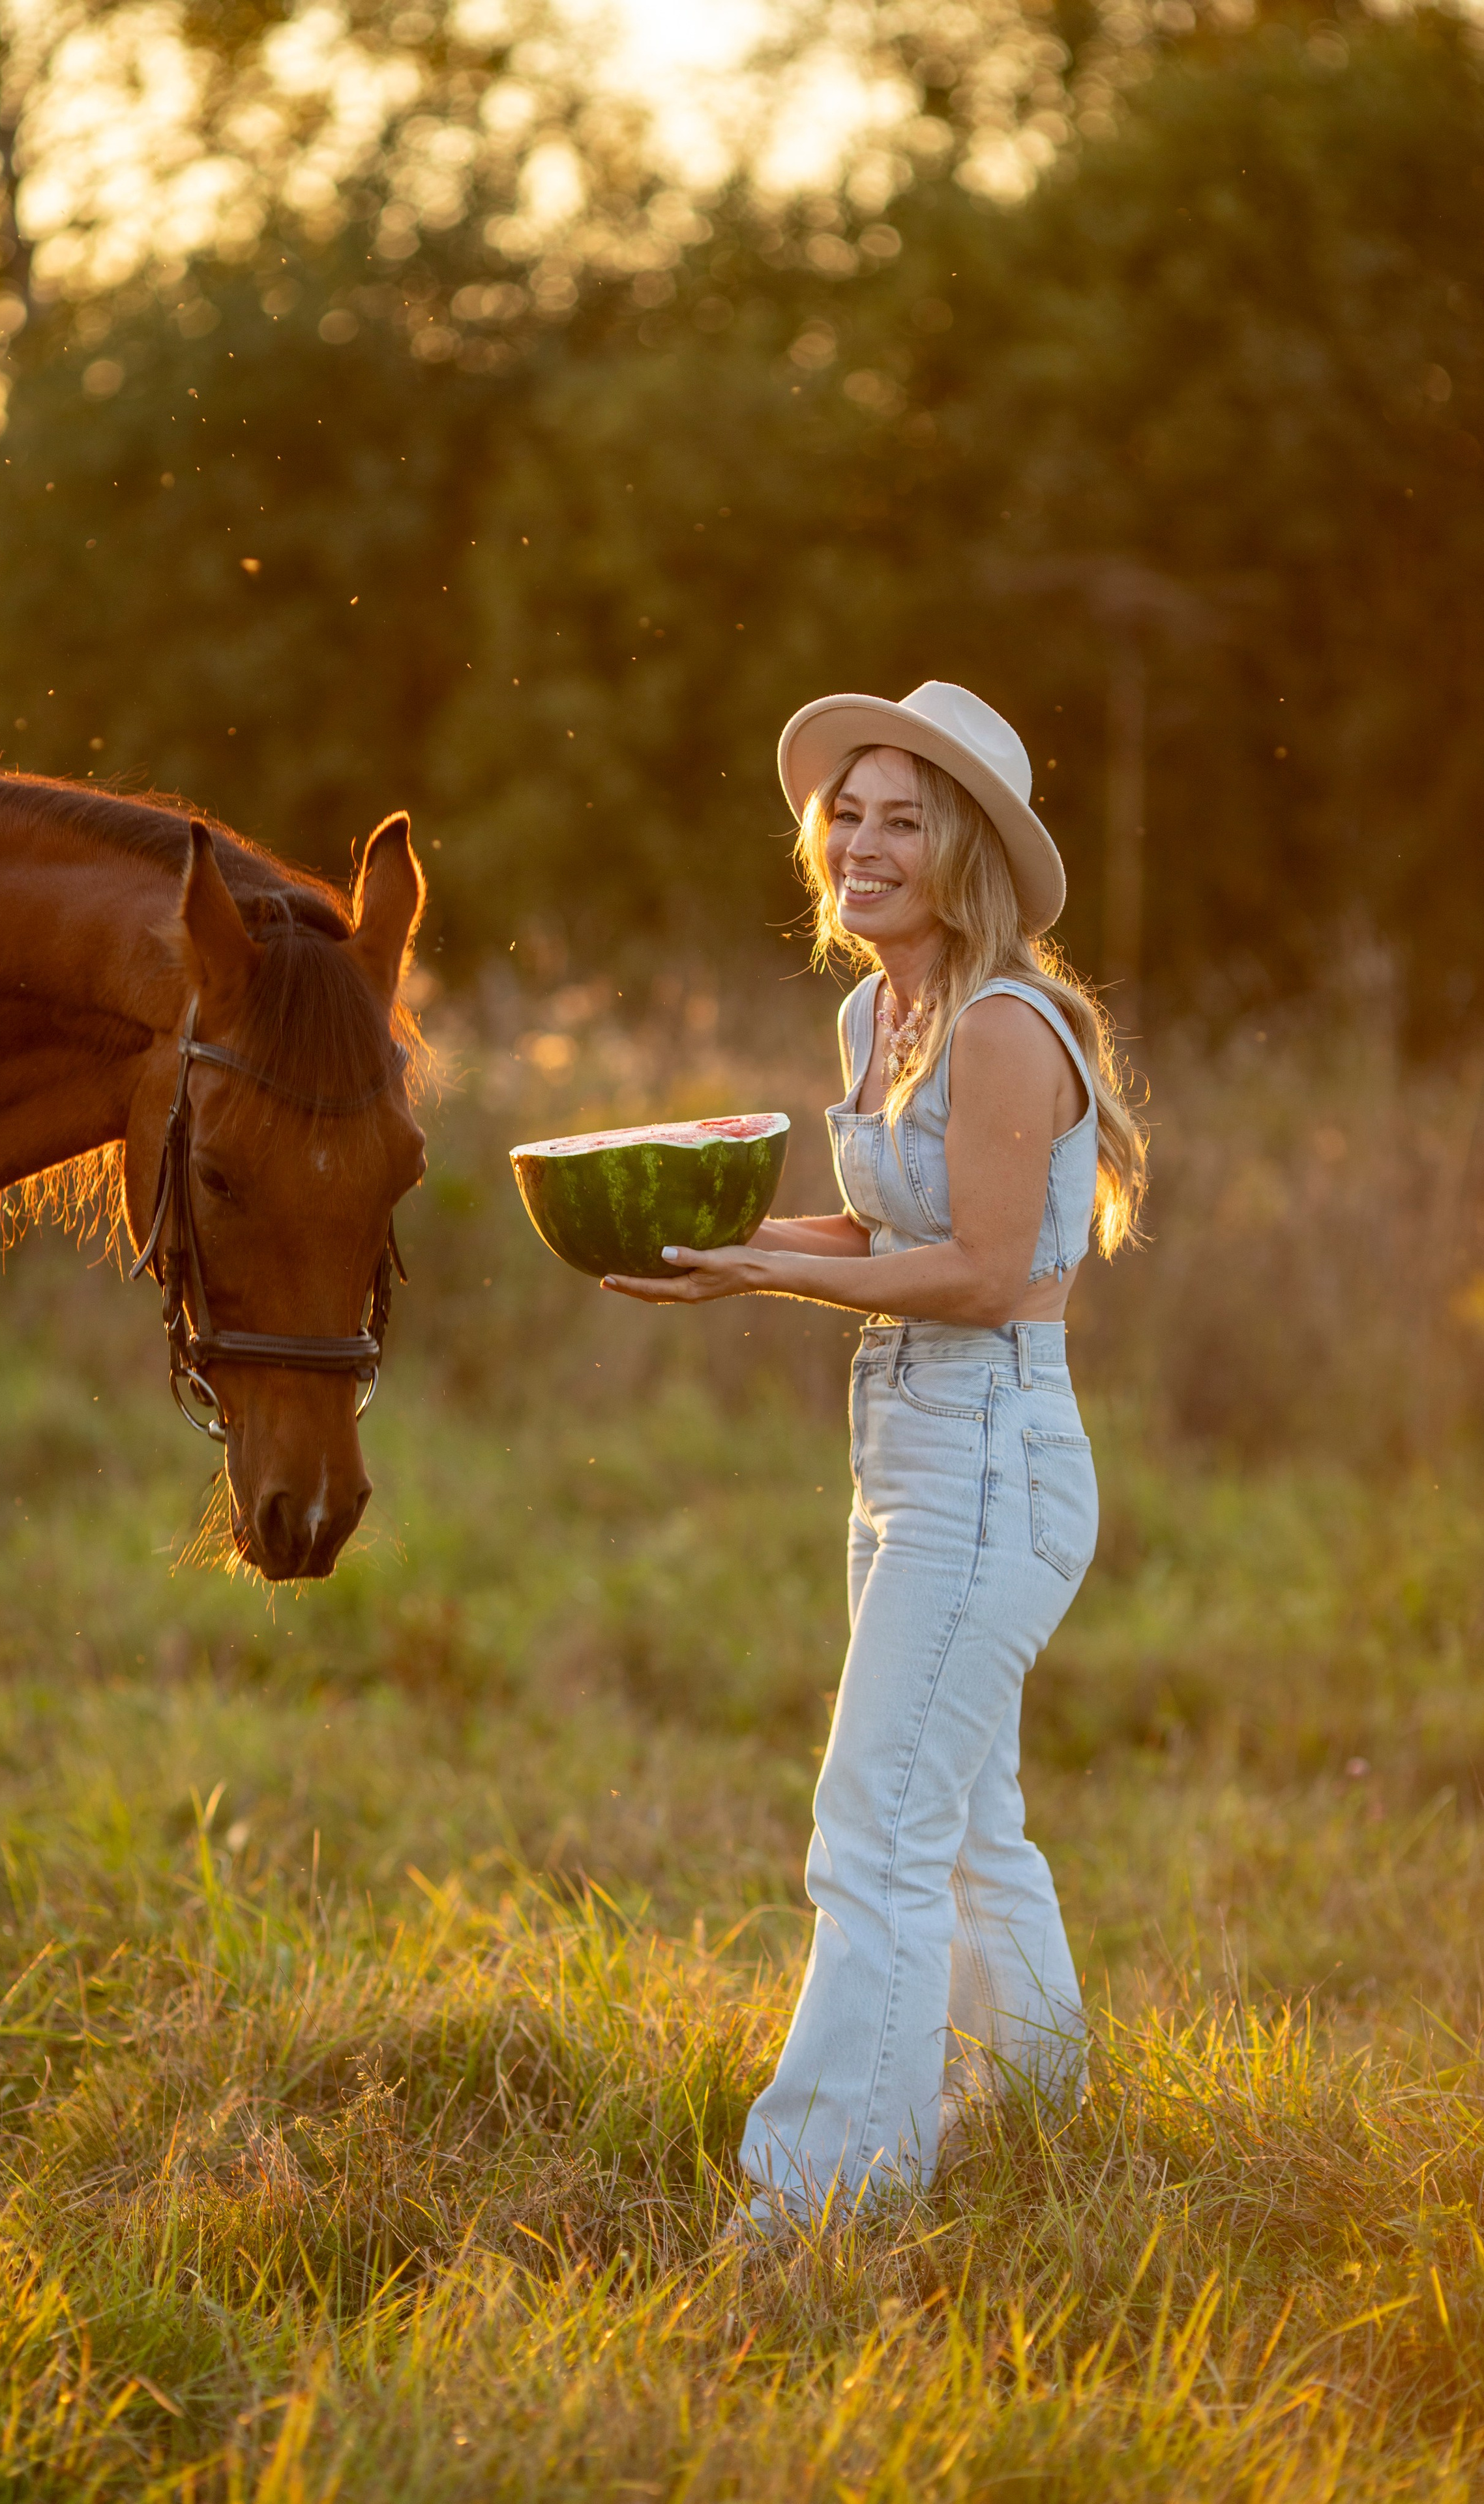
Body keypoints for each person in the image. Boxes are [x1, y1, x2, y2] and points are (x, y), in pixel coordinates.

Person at [604, 679, 1146, 2220]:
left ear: (964, 846)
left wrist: (762, 1273)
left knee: (874, 1830)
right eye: (846, 811)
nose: (860, 841)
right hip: (905, 1443)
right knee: (962, 1818)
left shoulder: (996, 1023)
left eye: (902, 818)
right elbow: (879, 1223)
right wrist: (702, 1232)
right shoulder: (872, 1012)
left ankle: (818, 2210)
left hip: (993, 1445)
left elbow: (981, 1270)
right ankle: (1041, 2126)